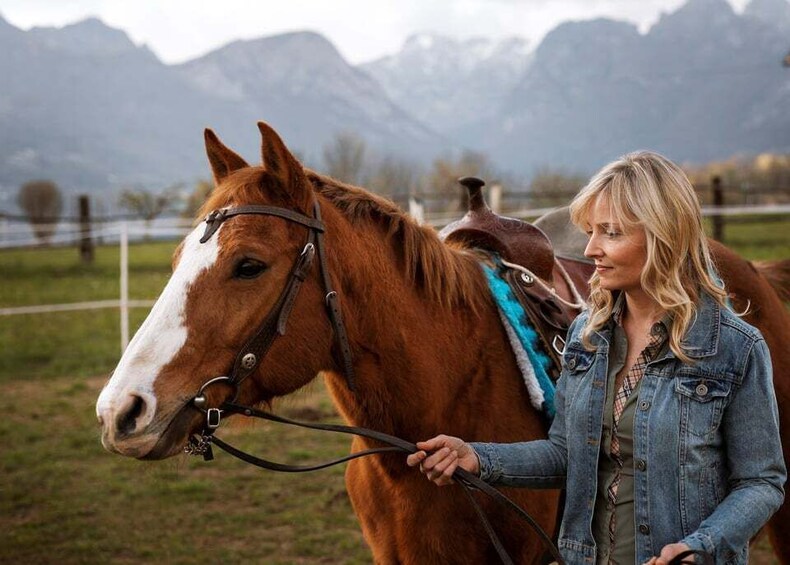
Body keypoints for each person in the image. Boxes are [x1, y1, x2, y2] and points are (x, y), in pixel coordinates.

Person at [407, 151, 786, 564]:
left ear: (664, 236)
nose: (590, 249)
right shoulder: (587, 337)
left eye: (611, 233)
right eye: (590, 231)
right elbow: (566, 454)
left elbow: (760, 482)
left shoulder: (735, 347)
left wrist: (701, 546)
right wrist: (477, 456)